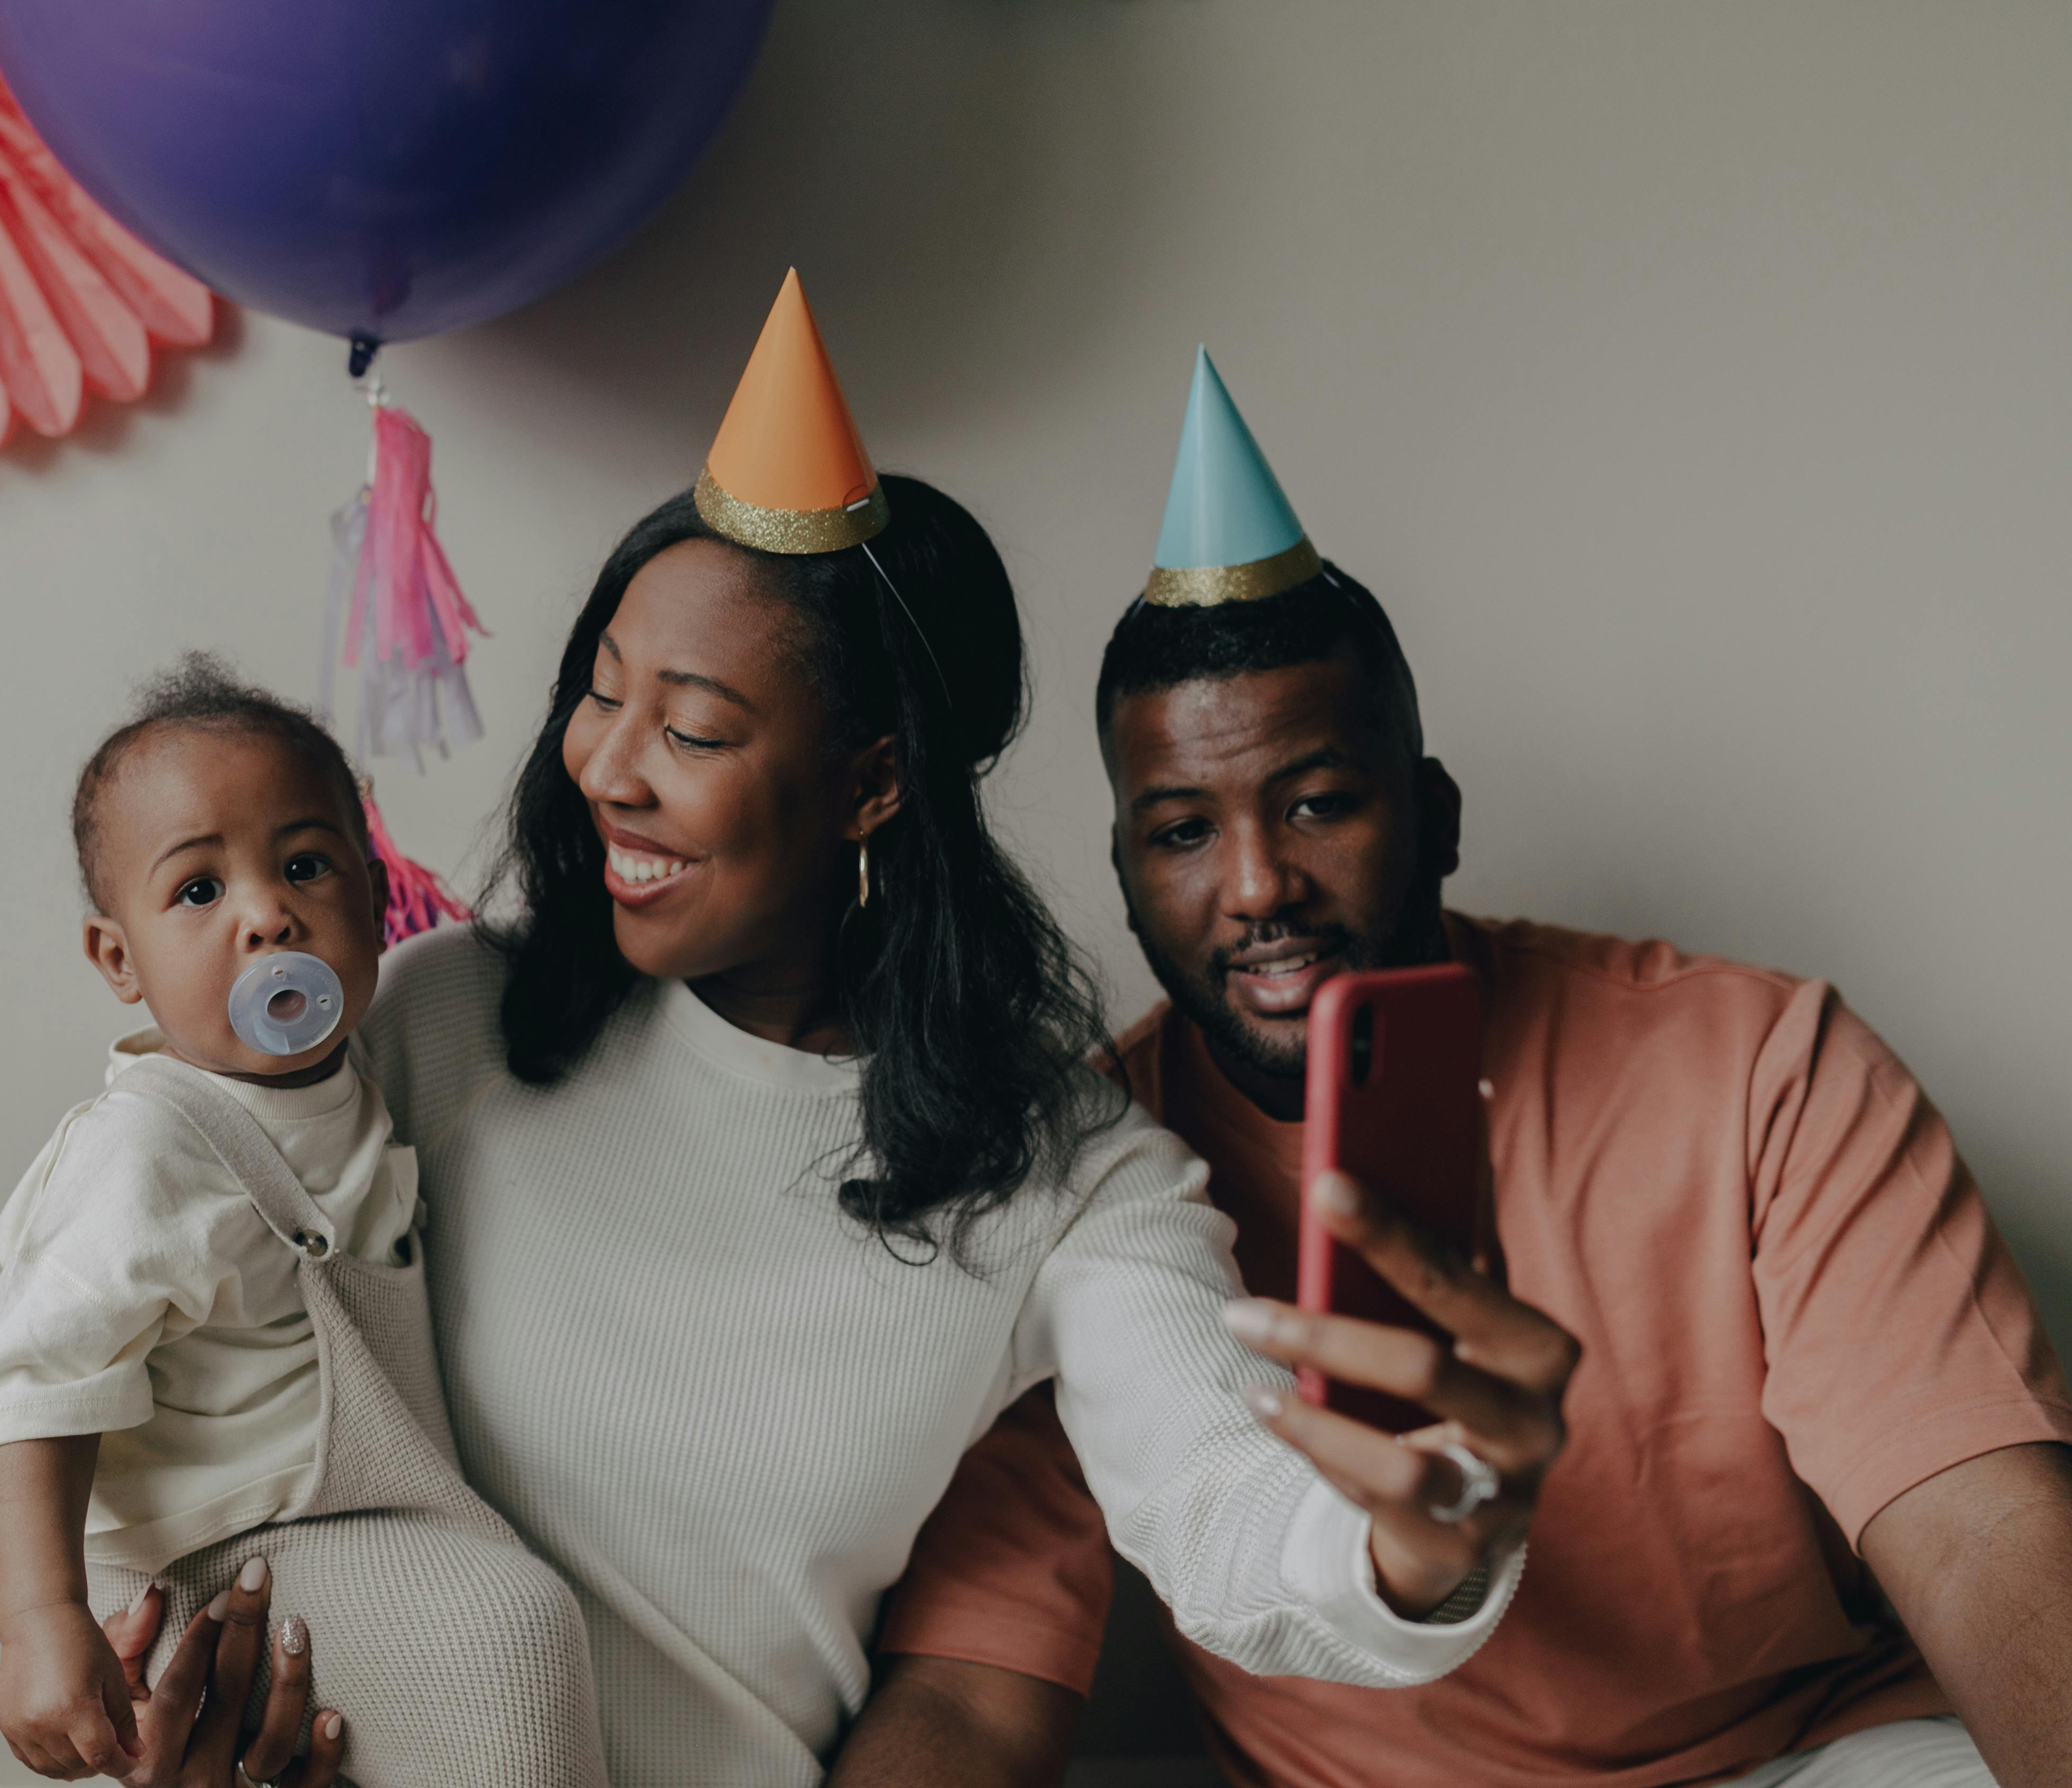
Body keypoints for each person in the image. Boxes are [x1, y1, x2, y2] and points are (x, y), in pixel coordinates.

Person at [84, 274, 1577, 1788]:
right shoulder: (439, 1017)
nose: (604, 769)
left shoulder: (1067, 1176)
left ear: (871, 785)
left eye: (693, 730)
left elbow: (1223, 1502)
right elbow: (182, 1347)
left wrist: (1408, 1547)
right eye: (600, 696)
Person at [872, 350, 2072, 1786]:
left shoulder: (1757, 1066)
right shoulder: (1084, 1186)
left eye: (1317, 803)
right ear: (1127, 883)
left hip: (1814, 1758)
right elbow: (975, 1685)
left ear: (1433, 817)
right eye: (1183, 831)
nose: (1257, 884)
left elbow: (1984, 1528)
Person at [0, 657, 604, 1788]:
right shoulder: (145, 1149)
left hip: (358, 1520)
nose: (267, 915)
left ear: (373, 890)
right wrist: (38, 1618)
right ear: (119, 958)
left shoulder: (360, 1074)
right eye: (199, 892)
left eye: (305, 866)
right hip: (212, 1557)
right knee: (509, 1634)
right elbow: (32, 1387)